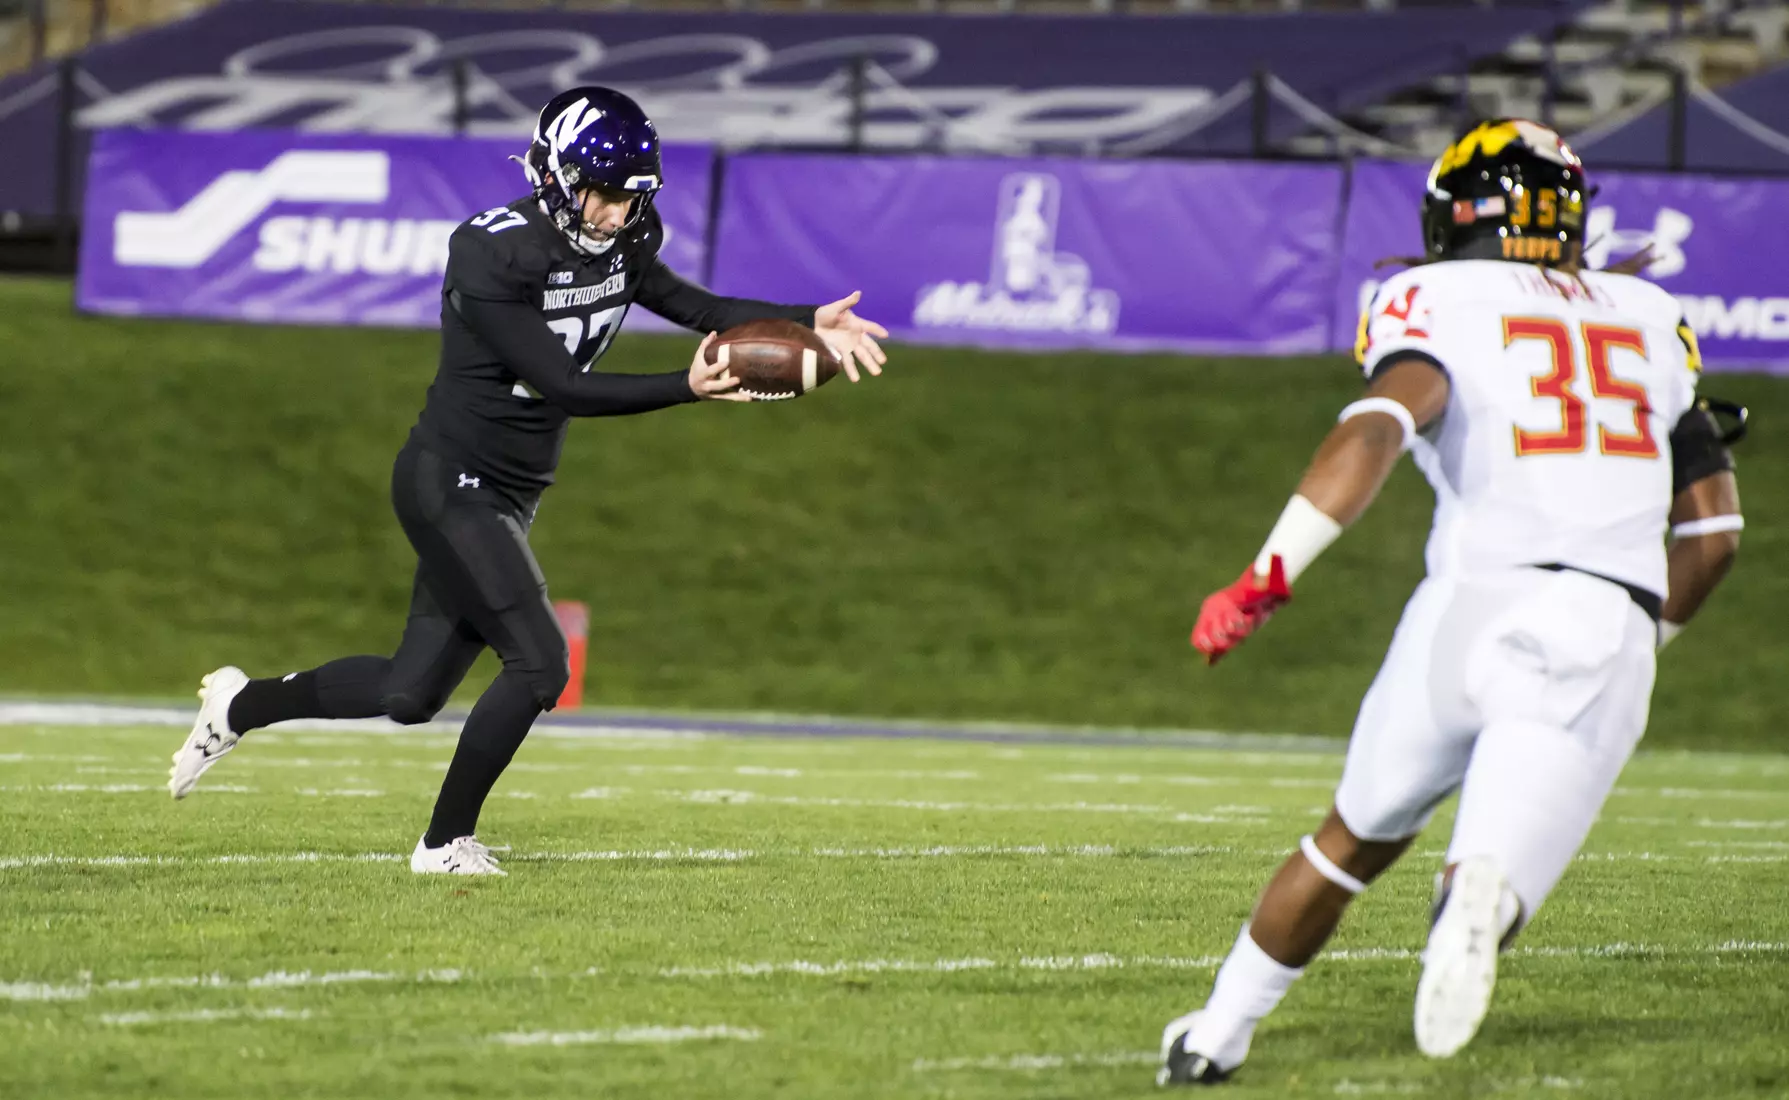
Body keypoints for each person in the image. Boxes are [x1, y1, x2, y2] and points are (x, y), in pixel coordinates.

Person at [167, 86, 889, 876]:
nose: (615, 213)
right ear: (553, 176)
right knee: (541, 664)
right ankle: (443, 844)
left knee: (409, 694)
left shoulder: (628, 234)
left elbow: (695, 305)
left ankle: (239, 703)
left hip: (512, 489)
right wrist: (687, 387)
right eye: (602, 193)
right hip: (449, 479)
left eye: (630, 196)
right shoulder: (491, 250)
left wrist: (805, 320)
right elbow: (565, 386)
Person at [1157, 119, 1746, 1084]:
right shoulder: (1649, 315)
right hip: (1598, 617)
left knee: (1343, 843)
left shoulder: (1430, 297)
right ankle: (1474, 891)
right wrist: (1642, 642)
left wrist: (1266, 575)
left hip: (1462, 611)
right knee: (1496, 874)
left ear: (1452, 217)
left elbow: (1381, 421)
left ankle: (1214, 1035)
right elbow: (1714, 535)